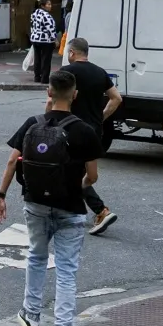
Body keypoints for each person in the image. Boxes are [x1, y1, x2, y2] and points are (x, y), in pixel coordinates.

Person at [0, 71, 104, 326]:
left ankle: (31, 315)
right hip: (71, 209)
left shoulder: (32, 124)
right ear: (75, 95)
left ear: (49, 93)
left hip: (35, 203)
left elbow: (11, 161)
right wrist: (72, 187)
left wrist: (0, 195)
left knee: (37, 257)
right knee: (66, 271)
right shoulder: (85, 131)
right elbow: (92, 176)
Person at [58, 39, 122, 236]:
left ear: (71, 52)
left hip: (71, 128)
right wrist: (101, 117)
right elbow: (116, 98)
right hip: (94, 131)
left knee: (69, 172)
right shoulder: (100, 72)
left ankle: (101, 210)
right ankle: (76, 209)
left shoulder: (68, 72)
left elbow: (54, 100)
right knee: (85, 174)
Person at [27, 0, 60, 84]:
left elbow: (31, 26)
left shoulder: (34, 14)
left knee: (37, 58)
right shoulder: (47, 15)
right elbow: (51, 29)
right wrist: (55, 40)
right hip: (45, 40)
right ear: (42, 5)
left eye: (50, 4)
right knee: (46, 60)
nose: (50, 6)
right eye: (48, 4)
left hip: (35, 39)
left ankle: (37, 77)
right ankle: (44, 78)